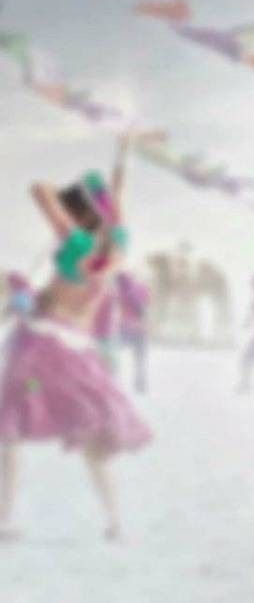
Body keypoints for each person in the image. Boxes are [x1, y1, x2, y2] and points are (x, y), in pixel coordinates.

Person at [0, 138, 151, 541]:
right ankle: (115, 521)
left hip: (37, 348)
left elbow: (38, 188)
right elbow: (117, 205)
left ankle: (4, 519)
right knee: (92, 437)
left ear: (84, 216)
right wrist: (111, 178)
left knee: (10, 431)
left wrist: (71, 205)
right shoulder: (118, 247)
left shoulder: (76, 241)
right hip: (77, 355)